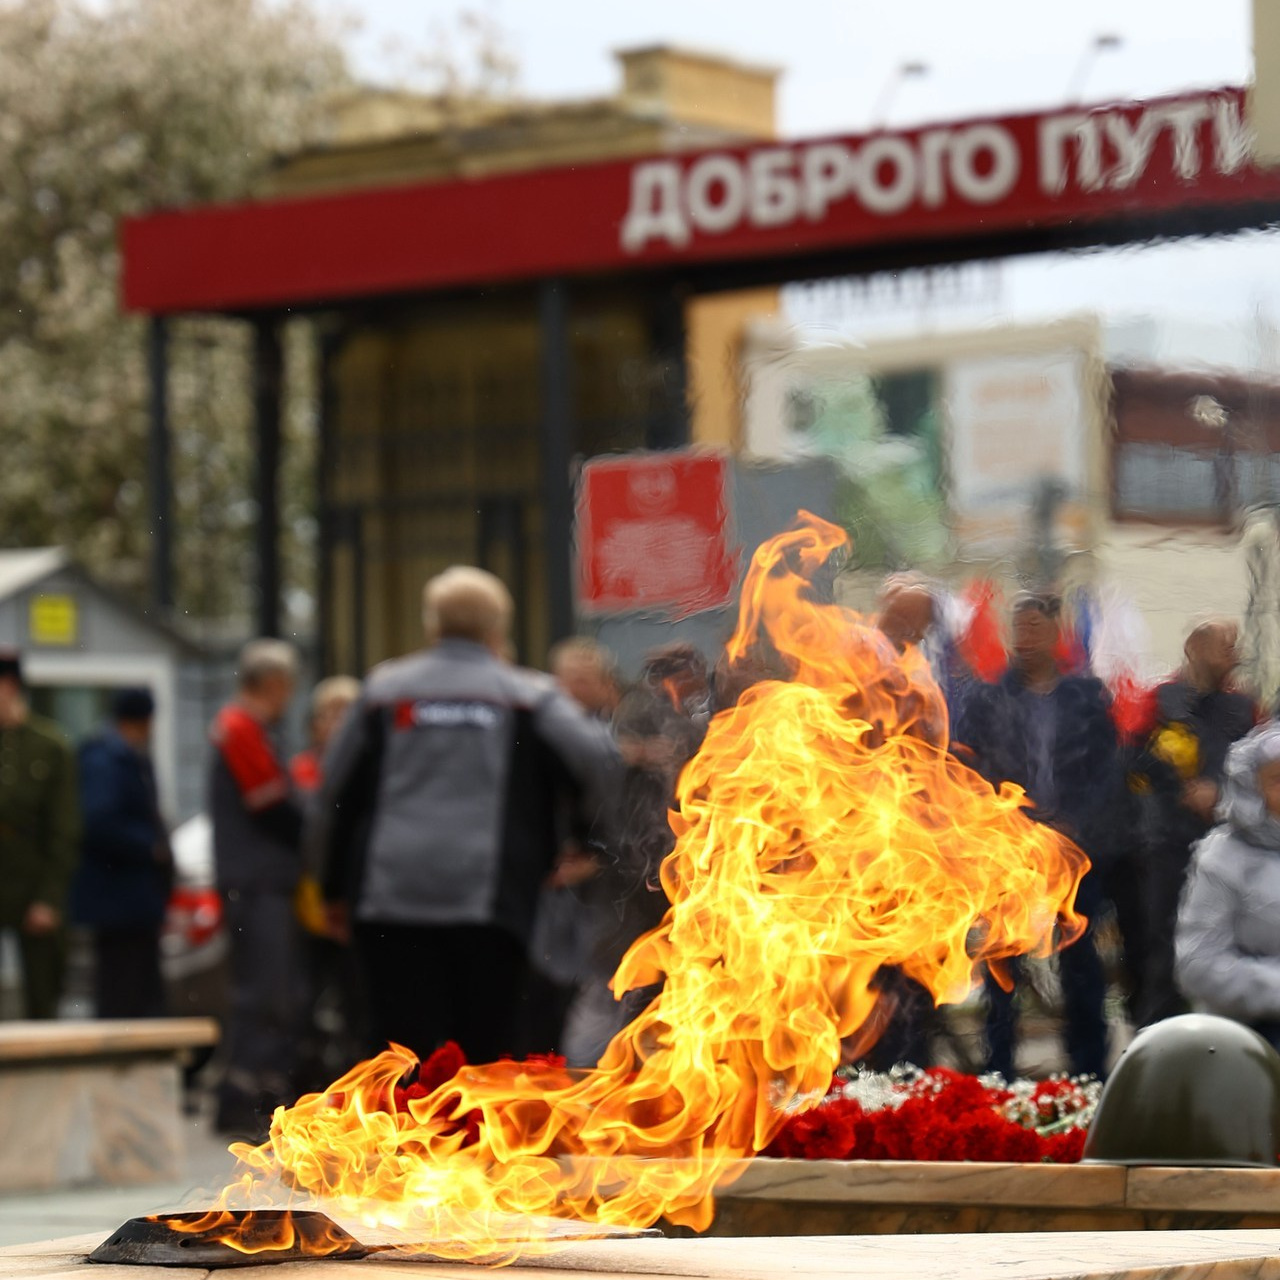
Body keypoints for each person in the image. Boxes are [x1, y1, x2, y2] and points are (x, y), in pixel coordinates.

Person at [310, 567, 620, 1065]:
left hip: (391, 900)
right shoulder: (530, 697)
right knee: (486, 1055)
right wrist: (590, 838)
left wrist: (331, 888)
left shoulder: (384, 692)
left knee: (397, 1055)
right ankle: (475, 1141)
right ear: (499, 628)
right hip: (494, 906)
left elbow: (332, 794)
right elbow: (600, 761)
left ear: (432, 624)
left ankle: (402, 1141)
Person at [960, 592, 1122, 1080]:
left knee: (1080, 958)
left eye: (1036, 628)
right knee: (1003, 959)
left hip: (1073, 849)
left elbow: (1107, 771)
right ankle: (999, 1068)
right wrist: (1008, 819)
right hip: (1011, 847)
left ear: (1057, 634)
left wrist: (1076, 821)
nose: (1025, 639)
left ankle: (1087, 1070)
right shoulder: (990, 698)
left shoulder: (1088, 698)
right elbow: (975, 766)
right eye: (1020, 628)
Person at [1132, 620, 1255, 1027]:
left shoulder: (1245, 709)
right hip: (1166, 845)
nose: (1234, 654)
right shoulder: (1158, 700)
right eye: (1225, 645)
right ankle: (1159, 1041)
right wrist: (1179, 787)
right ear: (1194, 647)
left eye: (1234, 646)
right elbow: (1131, 757)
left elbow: (1264, 771)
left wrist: (1220, 793)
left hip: (1229, 846)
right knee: (1163, 943)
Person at [209, 638, 304, 1135]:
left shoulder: (247, 728)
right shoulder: (241, 728)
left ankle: (254, 1092)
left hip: (258, 880)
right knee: (262, 992)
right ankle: (241, 1100)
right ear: (272, 683)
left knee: (270, 991)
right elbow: (270, 803)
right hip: (257, 882)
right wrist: (314, 825)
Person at [1176, 722, 1280, 1049]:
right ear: (1252, 789)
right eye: (1278, 781)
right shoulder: (1222, 858)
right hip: (1253, 1037)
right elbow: (1198, 963)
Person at [70, 687, 172, 1019]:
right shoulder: (109, 759)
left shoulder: (120, 756)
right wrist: (149, 846)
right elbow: (99, 821)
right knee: (121, 989)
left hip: (131, 898)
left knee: (136, 985)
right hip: (119, 897)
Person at [0, 649, 79, 1020]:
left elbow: (64, 829)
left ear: (10, 686)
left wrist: (49, 897)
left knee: (42, 998)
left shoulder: (48, 746)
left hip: (31, 881)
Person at [290, 676, 362, 794]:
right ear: (315, 724)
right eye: (332, 713)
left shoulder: (375, 767)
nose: (339, 724)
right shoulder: (301, 768)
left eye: (347, 715)